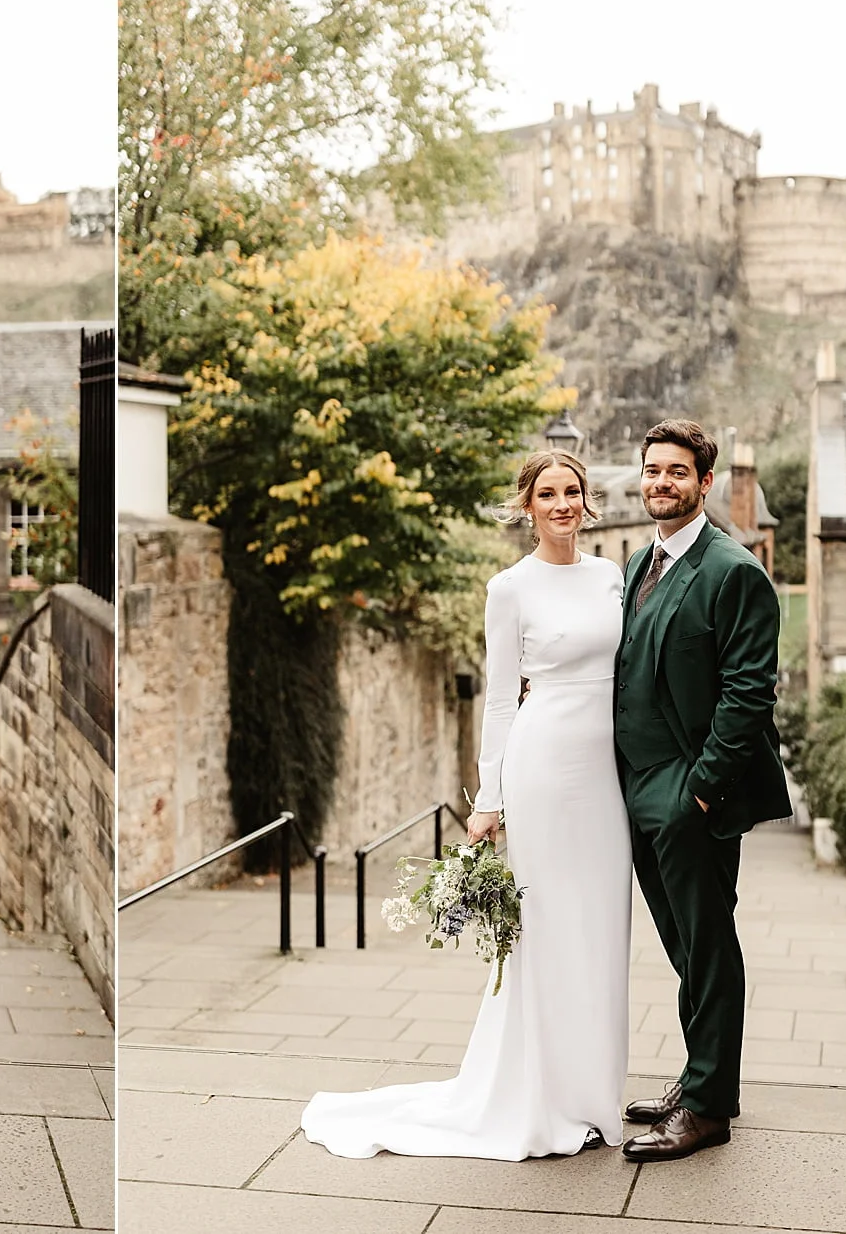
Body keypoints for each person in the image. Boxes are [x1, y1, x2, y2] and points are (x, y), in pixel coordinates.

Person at [301, 448, 631, 1160]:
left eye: (572, 490)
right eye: (548, 493)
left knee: (602, 926)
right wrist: (489, 798)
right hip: (543, 767)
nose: (563, 504)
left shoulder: (612, 577)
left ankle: (593, 1095)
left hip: (606, 774)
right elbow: (501, 697)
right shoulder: (508, 588)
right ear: (527, 505)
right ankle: (541, 1099)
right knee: (544, 928)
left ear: (587, 500)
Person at [614, 419, 790, 1162]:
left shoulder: (733, 570)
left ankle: (710, 1108)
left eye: (676, 473)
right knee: (686, 948)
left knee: (710, 947)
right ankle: (699, 1074)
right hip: (636, 791)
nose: (661, 483)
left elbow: (749, 696)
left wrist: (702, 797)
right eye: (652, 471)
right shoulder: (636, 562)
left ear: (703, 483)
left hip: (690, 796)